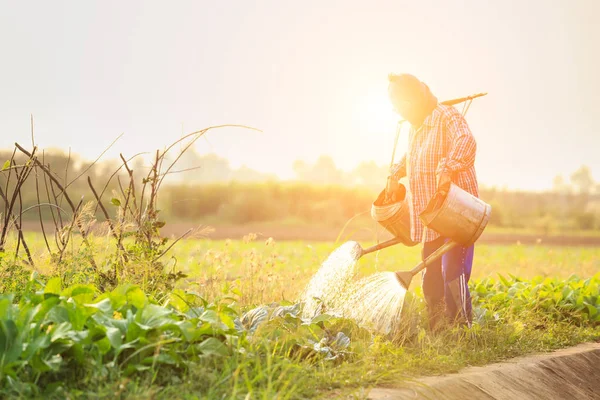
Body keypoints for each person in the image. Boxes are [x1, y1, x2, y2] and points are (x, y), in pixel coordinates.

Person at [387, 73, 479, 330]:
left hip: (457, 213)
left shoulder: (447, 116)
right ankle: (437, 327)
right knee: (431, 273)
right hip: (430, 216)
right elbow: (413, 157)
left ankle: (462, 328)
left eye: (401, 103)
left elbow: (466, 141)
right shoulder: (415, 126)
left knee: (453, 271)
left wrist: (448, 168)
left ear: (416, 98)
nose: (399, 110)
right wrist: (395, 173)